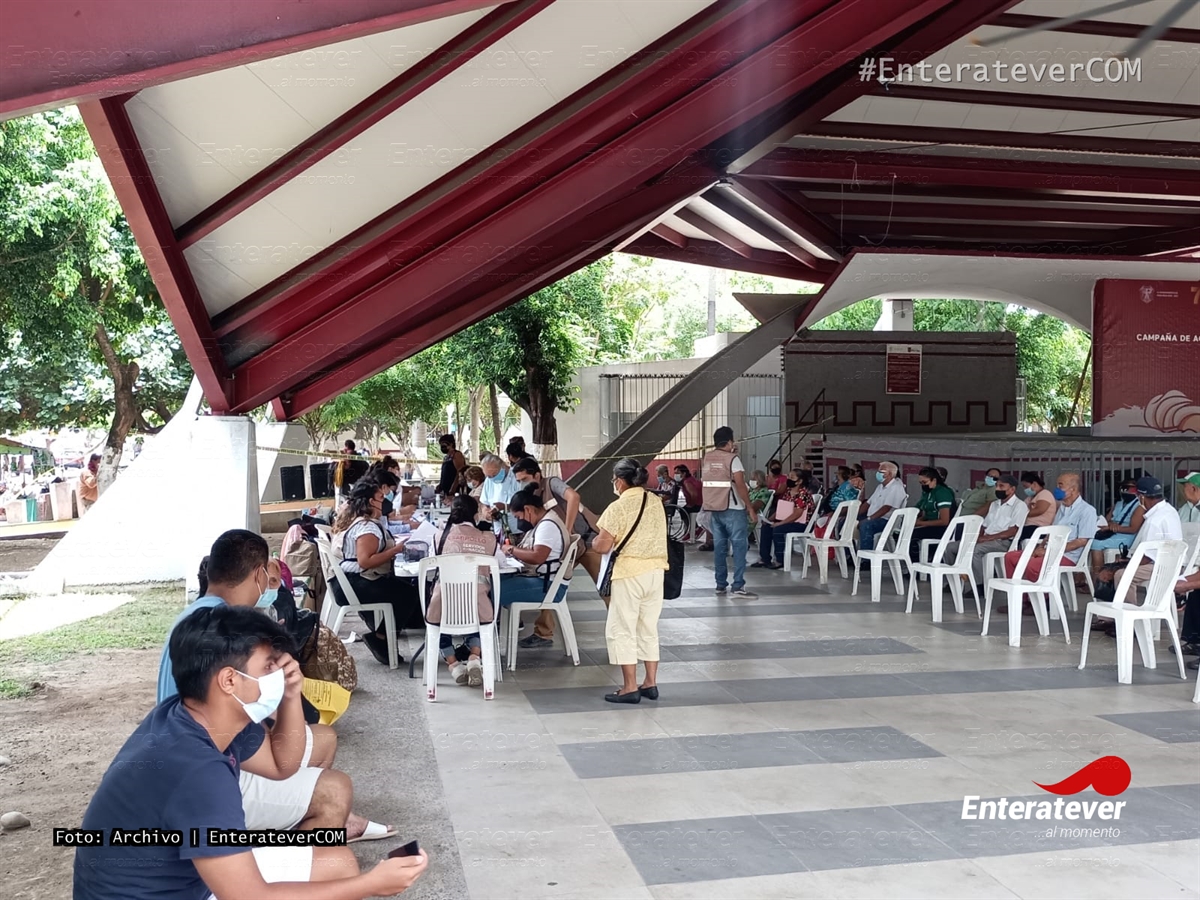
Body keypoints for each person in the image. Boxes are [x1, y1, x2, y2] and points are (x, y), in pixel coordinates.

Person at [76, 605, 428, 899]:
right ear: (229, 680)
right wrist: (371, 884)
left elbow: (282, 765)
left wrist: (290, 695)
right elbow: (248, 896)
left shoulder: (198, 714)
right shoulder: (198, 773)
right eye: (268, 666)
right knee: (344, 877)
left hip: (172, 881)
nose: (279, 671)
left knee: (338, 863)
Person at [157, 532, 389, 845]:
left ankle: (297, 818)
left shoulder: (197, 616)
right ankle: (285, 847)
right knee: (334, 790)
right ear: (258, 576)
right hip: (207, 772)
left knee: (322, 739)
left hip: (194, 751)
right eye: (269, 573)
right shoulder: (227, 631)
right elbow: (271, 746)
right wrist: (285, 691)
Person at [593, 459, 668, 704]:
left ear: (620, 481)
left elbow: (602, 546)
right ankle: (650, 683)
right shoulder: (655, 501)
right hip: (656, 572)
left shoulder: (618, 507)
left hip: (629, 574)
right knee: (648, 627)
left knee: (623, 628)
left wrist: (594, 542)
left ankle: (629, 687)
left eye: (614, 479)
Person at [331, 480, 426, 664]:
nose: (384, 501)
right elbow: (365, 561)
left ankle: (382, 629)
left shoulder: (353, 519)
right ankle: (381, 637)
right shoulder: (367, 528)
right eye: (381, 498)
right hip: (354, 584)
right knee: (407, 594)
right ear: (370, 501)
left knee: (401, 587)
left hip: (343, 581)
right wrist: (395, 550)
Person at [511, 456, 602, 647]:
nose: (522, 484)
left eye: (524, 479)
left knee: (606, 587)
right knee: (551, 580)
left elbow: (574, 497)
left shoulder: (551, 483)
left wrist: (567, 531)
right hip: (568, 548)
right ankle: (543, 633)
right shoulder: (531, 497)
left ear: (537, 475)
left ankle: (624, 629)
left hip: (587, 541)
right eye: (519, 481)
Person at [427, 495, 498, 688]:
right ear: (476, 515)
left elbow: (431, 564)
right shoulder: (488, 538)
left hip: (444, 606)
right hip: (478, 607)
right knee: (482, 604)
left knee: (437, 616)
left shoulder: (438, 536)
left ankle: (454, 665)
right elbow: (497, 563)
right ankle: (474, 657)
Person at [1094, 476, 1183, 597]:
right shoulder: (1169, 510)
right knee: (1118, 568)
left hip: (1161, 567)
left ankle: (1126, 608)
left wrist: (1122, 565)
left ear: (1141, 497)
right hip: (1172, 562)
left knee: (1120, 574)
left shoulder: (1154, 521)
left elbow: (1147, 558)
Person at [1002, 472, 1097, 584]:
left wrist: (1048, 551)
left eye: (1060, 485)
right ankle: (1016, 593)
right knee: (1010, 557)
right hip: (1048, 552)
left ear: (1073, 489)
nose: (1056, 489)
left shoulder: (1087, 511)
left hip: (1066, 556)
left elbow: (1081, 541)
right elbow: (1050, 533)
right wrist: (1039, 548)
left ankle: (1039, 595)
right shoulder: (1062, 508)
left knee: (1032, 565)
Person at [700, 426, 758, 597]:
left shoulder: (707, 457)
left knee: (720, 548)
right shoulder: (733, 459)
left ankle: (720, 585)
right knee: (739, 547)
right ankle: (738, 585)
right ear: (730, 441)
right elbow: (740, 485)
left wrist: (732, 454)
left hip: (714, 508)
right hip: (733, 509)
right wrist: (750, 507)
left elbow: (719, 473)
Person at [501, 491, 570, 618]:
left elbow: (538, 556)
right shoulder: (545, 521)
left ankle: (485, 627)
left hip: (548, 586)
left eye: (518, 517)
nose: (519, 522)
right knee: (496, 582)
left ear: (528, 509)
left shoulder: (547, 525)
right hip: (545, 580)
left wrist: (511, 549)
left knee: (493, 591)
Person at [951, 475, 1026, 584]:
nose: (997, 489)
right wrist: (977, 537)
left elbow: (1012, 531)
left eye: (1001, 486)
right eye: (997, 486)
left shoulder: (1019, 506)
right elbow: (984, 526)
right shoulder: (994, 504)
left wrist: (987, 538)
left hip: (1003, 542)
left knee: (975, 550)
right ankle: (953, 582)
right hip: (986, 539)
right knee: (950, 548)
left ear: (1012, 489)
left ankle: (979, 585)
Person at [754, 469, 816, 569]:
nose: (789, 479)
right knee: (766, 527)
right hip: (788, 521)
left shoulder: (803, 494)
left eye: (792, 477)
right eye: (789, 477)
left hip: (802, 524)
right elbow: (781, 509)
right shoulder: (788, 492)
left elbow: (797, 514)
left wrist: (780, 523)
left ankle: (780, 560)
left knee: (778, 530)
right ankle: (764, 558)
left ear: (799, 481)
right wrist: (769, 520)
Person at [1089, 478, 1144, 572]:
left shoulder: (1139, 506)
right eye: (1124, 488)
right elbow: (1106, 520)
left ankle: (1098, 576)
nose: (1126, 491)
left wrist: (1116, 528)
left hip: (1127, 536)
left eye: (1130, 488)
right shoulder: (1118, 504)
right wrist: (1111, 524)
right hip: (1112, 533)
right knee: (1089, 540)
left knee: (1096, 544)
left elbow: (1133, 529)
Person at [858, 461, 907, 553]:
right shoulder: (880, 487)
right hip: (874, 517)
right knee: (845, 521)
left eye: (881, 472)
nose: (878, 473)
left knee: (866, 525)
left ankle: (866, 557)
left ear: (890, 474)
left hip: (886, 521)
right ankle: (850, 555)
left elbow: (886, 508)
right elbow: (868, 503)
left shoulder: (896, 487)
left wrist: (869, 518)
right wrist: (854, 516)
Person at [908, 466, 956, 560]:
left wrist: (921, 523)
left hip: (942, 529)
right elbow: (927, 513)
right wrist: (916, 521)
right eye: (921, 483)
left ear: (934, 480)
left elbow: (944, 521)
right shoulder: (928, 492)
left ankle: (918, 564)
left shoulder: (942, 493)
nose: (923, 485)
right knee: (901, 533)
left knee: (912, 536)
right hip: (930, 525)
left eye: (925, 482)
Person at [479, 453, 519, 530]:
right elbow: (484, 502)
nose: (492, 478)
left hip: (517, 526)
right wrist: (486, 512)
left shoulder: (517, 477)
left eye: (494, 475)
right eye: (489, 476)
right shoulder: (488, 480)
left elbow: (524, 503)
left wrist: (505, 507)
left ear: (503, 466)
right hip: (498, 527)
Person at [1020, 471, 1057, 540]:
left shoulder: (1045, 494)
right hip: (1027, 527)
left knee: (1016, 534)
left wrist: (1021, 514)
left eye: (1026, 487)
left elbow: (1039, 510)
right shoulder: (1029, 498)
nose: (1025, 489)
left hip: (1040, 528)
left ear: (1034, 484)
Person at [435, 434, 467, 500]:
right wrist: (440, 485)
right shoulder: (446, 457)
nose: (442, 447)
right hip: (446, 488)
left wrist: (453, 488)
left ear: (451, 444)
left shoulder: (457, 455)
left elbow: (460, 472)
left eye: (444, 445)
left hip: (454, 489)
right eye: (441, 445)